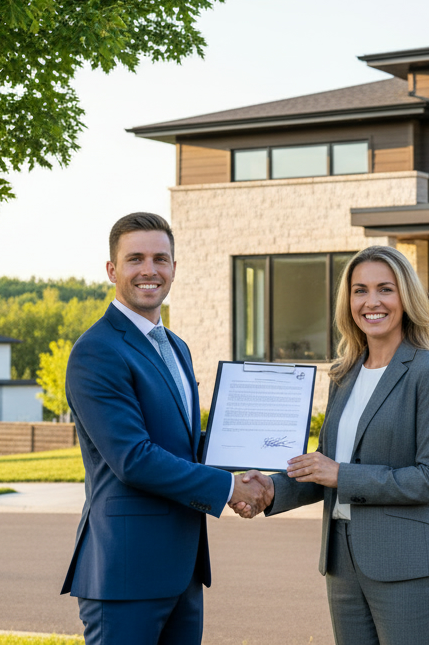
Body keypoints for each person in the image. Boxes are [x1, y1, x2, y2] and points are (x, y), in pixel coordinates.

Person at [235, 245, 429, 645]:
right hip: (342, 564)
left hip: (406, 567)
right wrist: (271, 490)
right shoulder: (343, 375)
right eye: (360, 290)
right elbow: (324, 470)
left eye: (384, 289)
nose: (371, 302)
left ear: (406, 296)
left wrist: (340, 474)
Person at [62, 212, 270, 645]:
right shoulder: (97, 351)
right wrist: (230, 488)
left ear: (174, 267)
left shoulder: (176, 346)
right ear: (112, 270)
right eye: (135, 258)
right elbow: (133, 459)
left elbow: (183, 444)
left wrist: (264, 446)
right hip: (126, 572)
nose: (149, 270)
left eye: (161, 258)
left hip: (183, 570)